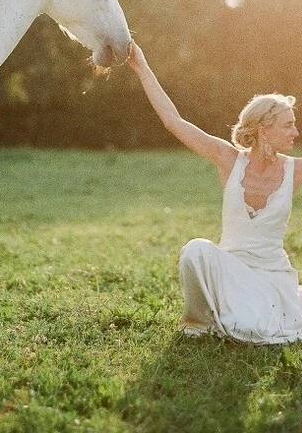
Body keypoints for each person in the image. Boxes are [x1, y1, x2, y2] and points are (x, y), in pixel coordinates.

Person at [128, 40, 302, 345]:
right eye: (288, 125)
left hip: (272, 277)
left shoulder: (295, 169)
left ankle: (244, 313)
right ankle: (199, 322)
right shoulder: (228, 159)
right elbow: (173, 121)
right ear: (265, 130)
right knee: (195, 250)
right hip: (230, 269)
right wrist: (141, 66)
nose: (295, 132)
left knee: (253, 329)